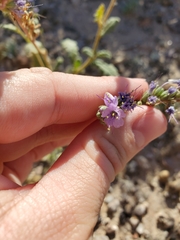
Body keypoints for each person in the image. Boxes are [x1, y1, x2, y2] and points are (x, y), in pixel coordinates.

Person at [0, 67, 167, 239]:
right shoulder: (111, 112)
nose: (113, 114)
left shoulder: (113, 111)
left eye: (114, 113)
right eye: (113, 113)